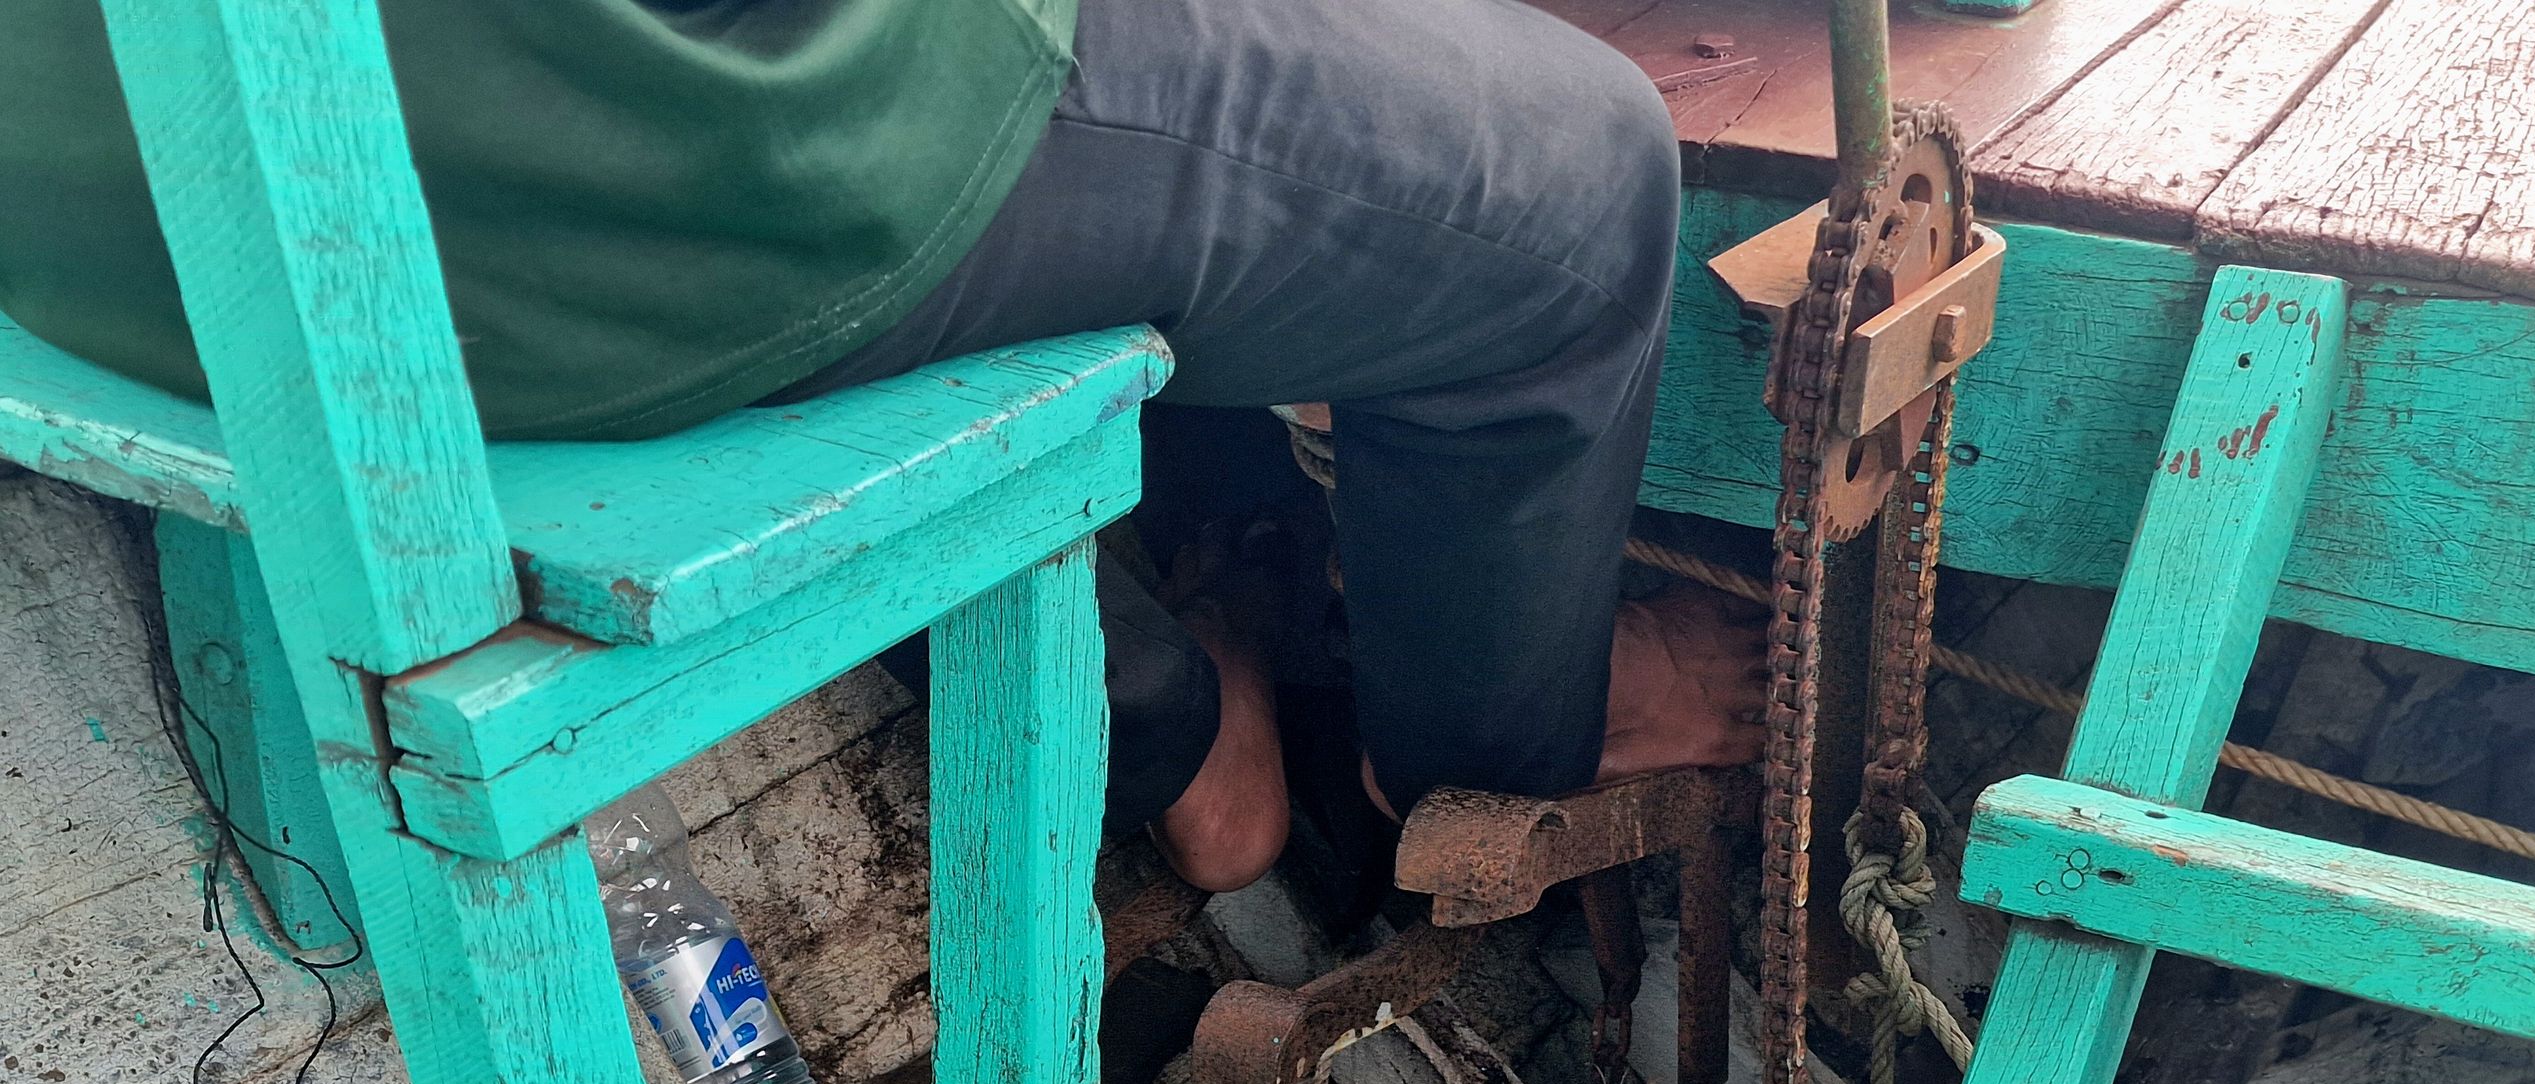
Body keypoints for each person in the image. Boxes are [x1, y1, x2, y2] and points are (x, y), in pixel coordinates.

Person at [0, 0, 1765, 894]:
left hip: (92, 215)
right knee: (1581, 180)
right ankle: (1475, 752)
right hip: (574, 184)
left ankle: (1166, 726)